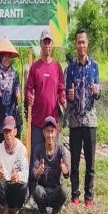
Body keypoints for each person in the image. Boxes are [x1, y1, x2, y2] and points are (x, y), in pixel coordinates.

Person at [26, 29, 66, 194]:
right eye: (44, 42)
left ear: (52, 45)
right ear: (41, 44)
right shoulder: (35, 67)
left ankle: (54, 190)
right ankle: (32, 191)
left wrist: (63, 97)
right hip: (37, 122)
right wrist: (29, 97)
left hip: (52, 123)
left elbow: (61, 89)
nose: (47, 45)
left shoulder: (57, 67)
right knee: (35, 158)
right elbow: (29, 89)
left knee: (55, 158)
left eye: (49, 42)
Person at [65, 29, 100, 209]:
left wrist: (97, 92)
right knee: (75, 161)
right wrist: (69, 95)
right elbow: (65, 95)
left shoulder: (95, 66)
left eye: (84, 42)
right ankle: (75, 195)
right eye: (78, 42)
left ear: (88, 44)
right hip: (75, 121)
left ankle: (89, 197)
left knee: (91, 162)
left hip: (90, 120)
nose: (81, 45)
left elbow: (98, 91)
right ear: (75, 44)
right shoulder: (70, 69)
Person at [32, 116, 70, 214]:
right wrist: (38, 172)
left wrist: (65, 171)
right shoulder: (38, 149)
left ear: (56, 132)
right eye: (47, 131)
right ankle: (42, 211)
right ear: (43, 133)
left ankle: (56, 212)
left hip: (55, 191)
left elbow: (67, 173)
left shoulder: (61, 150)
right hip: (43, 191)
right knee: (37, 190)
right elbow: (34, 173)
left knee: (64, 190)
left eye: (52, 131)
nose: (50, 135)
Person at [0, 116, 28, 214]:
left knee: (24, 185)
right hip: (5, 188)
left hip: (16, 188)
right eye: (5, 131)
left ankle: (16, 210)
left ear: (15, 131)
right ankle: (6, 208)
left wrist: (19, 176)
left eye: (10, 131)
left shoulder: (22, 149)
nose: (8, 134)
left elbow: (26, 172)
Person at [0, 37, 22, 144]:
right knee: (1, 147)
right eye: (4, 56)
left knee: (14, 146)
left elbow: (17, 86)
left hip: (12, 114)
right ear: (0, 57)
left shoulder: (15, 73)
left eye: (9, 56)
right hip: (0, 117)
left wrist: (18, 92)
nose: (7, 58)